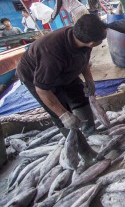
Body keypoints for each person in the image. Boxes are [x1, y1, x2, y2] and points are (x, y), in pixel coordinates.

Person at [16, 14, 107, 163]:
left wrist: (89, 79)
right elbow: (42, 90)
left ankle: (90, 132)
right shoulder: (51, 56)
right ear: (92, 42)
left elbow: (83, 60)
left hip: (65, 71)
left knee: (80, 97)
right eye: (102, 40)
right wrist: (64, 115)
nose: (103, 41)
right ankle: (85, 152)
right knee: (61, 113)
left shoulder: (81, 36)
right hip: (38, 78)